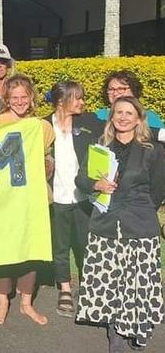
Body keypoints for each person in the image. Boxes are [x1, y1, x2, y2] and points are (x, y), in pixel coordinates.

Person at [75, 96, 165, 352]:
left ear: (139, 118)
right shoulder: (99, 147)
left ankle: (139, 326)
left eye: (129, 113)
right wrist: (96, 184)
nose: (123, 117)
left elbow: (158, 190)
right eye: (118, 112)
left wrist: (140, 209)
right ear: (111, 117)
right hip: (105, 225)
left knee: (138, 282)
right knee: (113, 283)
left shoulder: (153, 150)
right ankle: (117, 333)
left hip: (139, 225)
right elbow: (80, 179)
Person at [0, 74, 53, 326]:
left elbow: (48, 157)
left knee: (32, 248)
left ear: (31, 98)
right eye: (14, 97)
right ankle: (3, 301)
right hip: (4, 200)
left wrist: (49, 164)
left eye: (23, 97)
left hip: (34, 198)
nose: (19, 101)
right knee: (5, 250)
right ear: (6, 99)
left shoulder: (43, 127)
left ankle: (27, 302)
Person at [44, 81, 104, 318]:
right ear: (61, 101)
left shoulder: (88, 121)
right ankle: (65, 288)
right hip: (56, 196)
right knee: (60, 246)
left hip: (83, 196)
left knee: (84, 244)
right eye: (77, 98)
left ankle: (87, 286)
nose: (82, 102)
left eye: (82, 98)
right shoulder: (43, 125)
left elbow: (123, 126)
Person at [95, 70, 164, 128]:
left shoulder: (149, 117)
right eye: (111, 89)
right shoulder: (99, 116)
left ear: (134, 90)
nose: (115, 93)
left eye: (121, 89)